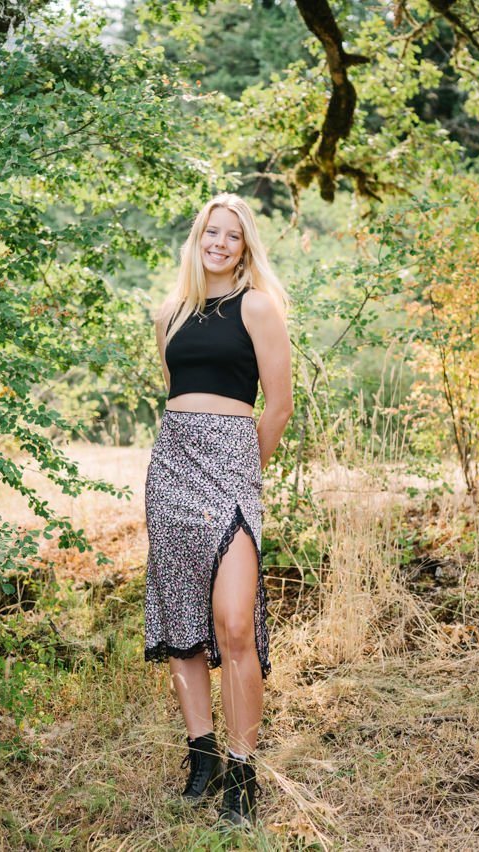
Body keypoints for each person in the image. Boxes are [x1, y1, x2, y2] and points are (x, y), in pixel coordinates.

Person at [143, 193, 293, 828]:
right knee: (181, 619)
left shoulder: (258, 306)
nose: (221, 243)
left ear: (245, 244)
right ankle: (201, 755)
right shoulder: (169, 313)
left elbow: (278, 406)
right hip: (172, 469)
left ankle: (243, 770)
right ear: (197, 238)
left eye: (233, 235)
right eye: (212, 231)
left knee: (233, 624)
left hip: (230, 470)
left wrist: (240, 469)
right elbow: (177, 392)